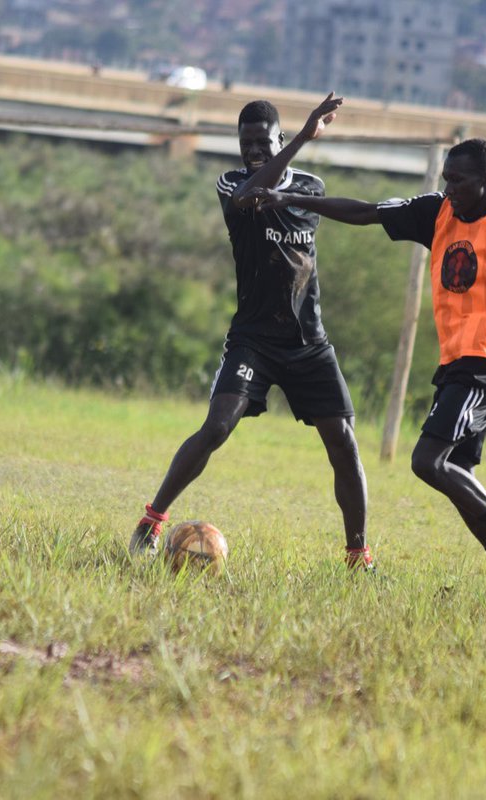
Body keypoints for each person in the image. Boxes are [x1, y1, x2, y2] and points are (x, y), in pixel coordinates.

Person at [253, 133, 486, 597]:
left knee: (427, 461)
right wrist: (289, 198)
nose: (449, 186)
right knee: (457, 474)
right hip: (457, 361)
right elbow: (367, 212)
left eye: (458, 179)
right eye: (446, 178)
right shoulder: (438, 211)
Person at [129, 94, 375, 571]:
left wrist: (293, 164)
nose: (254, 152)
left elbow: (303, 219)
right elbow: (248, 199)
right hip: (254, 340)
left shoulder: (310, 185)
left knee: (343, 439)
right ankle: (151, 522)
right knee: (218, 426)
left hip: (308, 341)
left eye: (264, 141)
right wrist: (303, 137)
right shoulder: (232, 184)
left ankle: (358, 556)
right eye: (247, 144)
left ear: (276, 138)